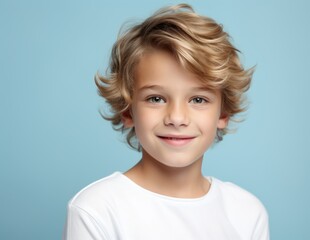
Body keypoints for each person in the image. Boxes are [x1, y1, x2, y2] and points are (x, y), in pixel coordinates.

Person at [63, 3, 269, 240]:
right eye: (156, 98)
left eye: (199, 99)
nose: (177, 118)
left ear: (223, 113)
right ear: (127, 110)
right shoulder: (96, 210)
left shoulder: (247, 212)